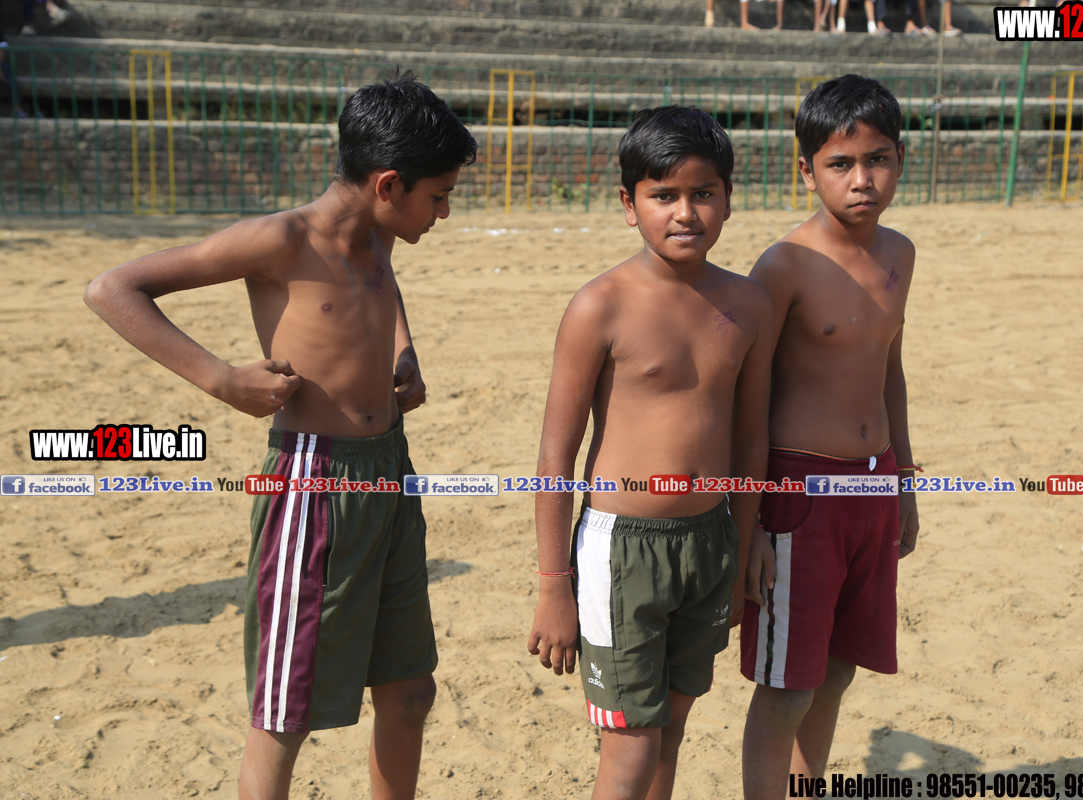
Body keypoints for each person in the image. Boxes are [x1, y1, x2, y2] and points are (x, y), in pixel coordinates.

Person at [83, 73, 477, 800]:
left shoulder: (379, 234)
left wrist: (403, 352)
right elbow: (112, 289)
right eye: (439, 195)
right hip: (313, 487)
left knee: (409, 690)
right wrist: (221, 379)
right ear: (388, 185)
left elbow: (383, 292)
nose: (445, 212)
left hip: (391, 473)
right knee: (284, 713)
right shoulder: (280, 239)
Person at [527, 105, 773, 800]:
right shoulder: (599, 306)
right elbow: (556, 455)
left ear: (729, 197)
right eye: (664, 195)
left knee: (672, 731)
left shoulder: (750, 306)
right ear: (628, 204)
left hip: (711, 541)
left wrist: (740, 551)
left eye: (704, 193)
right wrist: (553, 584)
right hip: (621, 550)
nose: (685, 212)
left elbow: (750, 438)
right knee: (631, 750)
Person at [738, 74, 920, 799]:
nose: (861, 179)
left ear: (901, 159)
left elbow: (889, 369)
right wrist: (751, 519)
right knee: (787, 683)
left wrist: (903, 482)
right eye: (840, 163)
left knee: (839, 668)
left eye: (877, 159)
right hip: (799, 494)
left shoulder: (900, 253)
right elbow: (747, 398)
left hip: (873, 484)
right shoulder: (784, 265)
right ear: (806, 170)